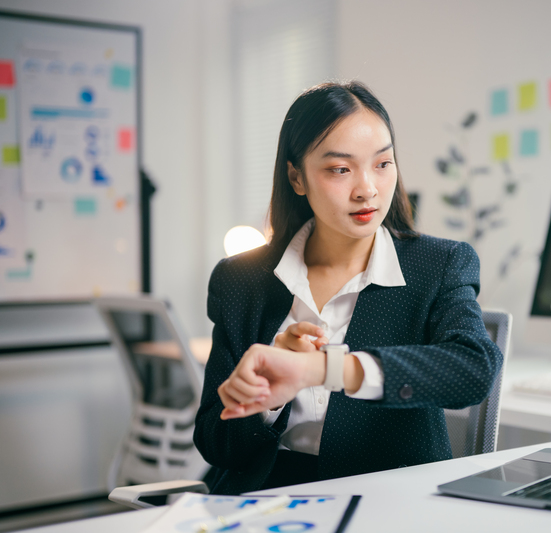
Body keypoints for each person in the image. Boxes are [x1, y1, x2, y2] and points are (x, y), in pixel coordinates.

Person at [194, 81, 503, 495]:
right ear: (296, 178)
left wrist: (322, 369)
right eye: (340, 169)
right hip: (267, 500)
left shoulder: (439, 265)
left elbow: (473, 369)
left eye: (382, 163)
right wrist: (267, 397)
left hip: (387, 502)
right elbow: (216, 445)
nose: (368, 189)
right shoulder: (241, 280)